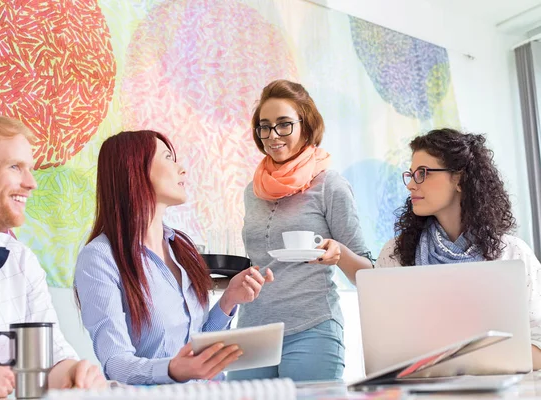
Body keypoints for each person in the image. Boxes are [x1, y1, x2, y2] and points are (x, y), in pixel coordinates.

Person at [74, 130, 274, 385]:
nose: (182, 169)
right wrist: (173, 369)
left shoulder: (182, 246)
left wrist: (228, 300)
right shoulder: (99, 258)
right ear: (135, 169)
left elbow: (197, 346)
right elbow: (116, 364)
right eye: (168, 157)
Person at [0, 112, 106, 398]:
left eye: (30, 168)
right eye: (15, 167)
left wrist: (72, 372)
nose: (32, 183)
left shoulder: (22, 262)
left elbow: (50, 359)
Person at [228, 80, 373, 382]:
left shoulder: (329, 185)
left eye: (284, 125)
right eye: (264, 127)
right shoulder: (252, 192)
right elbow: (262, 261)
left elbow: (366, 274)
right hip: (252, 330)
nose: (272, 136)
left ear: (306, 126)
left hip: (311, 327)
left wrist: (338, 253)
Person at [376, 128, 541, 369]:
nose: (411, 185)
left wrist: (470, 359)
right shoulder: (397, 254)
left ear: (460, 179)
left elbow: (538, 344)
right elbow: (382, 349)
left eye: (422, 173)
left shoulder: (513, 254)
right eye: (410, 175)